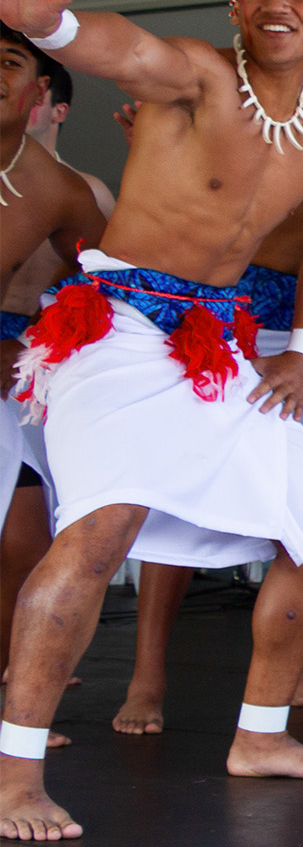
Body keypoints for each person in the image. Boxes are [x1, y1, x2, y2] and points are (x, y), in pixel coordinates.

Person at [0, 0, 303, 838]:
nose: (277, 4)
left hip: (219, 343)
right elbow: (119, 51)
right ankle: (12, 778)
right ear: (235, 3)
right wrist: (51, 28)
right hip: (117, 326)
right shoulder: (197, 74)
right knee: (97, 534)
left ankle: (260, 735)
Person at [0, 54, 110, 704]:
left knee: (30, 537)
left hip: (34, 367)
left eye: (12, 66)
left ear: (46, 97)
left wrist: (48, 344)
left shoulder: (78, 192)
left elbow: (111, 285)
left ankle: (20, 681)